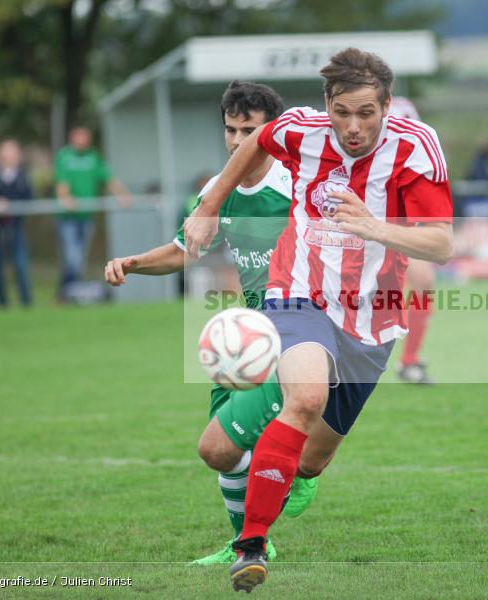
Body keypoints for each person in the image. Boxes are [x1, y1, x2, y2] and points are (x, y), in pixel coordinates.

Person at [183, 48, 454, 592]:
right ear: (326, 104)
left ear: (387, 106)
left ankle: (291, 471)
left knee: (308, 462)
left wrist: (373, 226)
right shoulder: (300, 129)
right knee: (304, 398)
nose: (353, 128)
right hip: (298, 293)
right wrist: (211, 203)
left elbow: (442, 242)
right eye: (342, 113)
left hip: (372, 320)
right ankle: (251, 547)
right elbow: (256, 142)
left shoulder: (416, 148)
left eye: (366, 114)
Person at [103, 81, 318, 566]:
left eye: (250, 129)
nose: (238, 139)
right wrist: (134, 262)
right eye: (231, 129)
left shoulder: (294, 183)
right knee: (222, 452)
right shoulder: (214, 193)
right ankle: (248, 539)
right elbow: (184, 252)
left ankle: (294, 480)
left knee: (217, 446)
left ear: (273, 131)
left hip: (297, 329)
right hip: (249, 334)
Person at [54, 126, 130, 301]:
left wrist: (122, 195)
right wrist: (66, 198)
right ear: (72, 137)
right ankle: (66, 293)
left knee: (79, 260)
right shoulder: (64, 156)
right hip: (68, 219)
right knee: (73, 258)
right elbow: (61, 184)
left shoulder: (93, 157)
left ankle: (66, 294)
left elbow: (109, 178)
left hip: (87, 218)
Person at [389, 95, 435, 384]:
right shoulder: (354, 109)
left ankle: (409, 361)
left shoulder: (404, 107)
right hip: (363, 220)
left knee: (423, 283)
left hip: (400, 221)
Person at [0, 139, 34, 308]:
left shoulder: (22, 175)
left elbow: (28, 197)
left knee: (20, 264)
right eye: (5, 151)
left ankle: (26, 301)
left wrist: (11, 204)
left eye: (12, 151)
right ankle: (1, 303)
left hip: (16, 226)